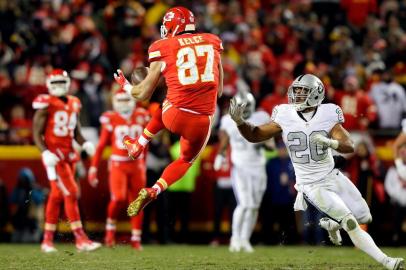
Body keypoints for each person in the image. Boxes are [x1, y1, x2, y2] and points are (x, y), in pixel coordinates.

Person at [228, 74, 404, 270]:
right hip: (311, 184)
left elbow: (349, 145)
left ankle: (332, 224)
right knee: (351, 223)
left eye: (303, 91)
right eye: (296, 91)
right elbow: (254, 135)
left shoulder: (328, 113)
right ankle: (387, 261)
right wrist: (240, 123)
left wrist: (330, 142)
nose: (297, 95)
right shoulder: (284, 114)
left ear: (316, 93)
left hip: (333, 176)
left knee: (364, 217)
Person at [113, 6, 223, 216]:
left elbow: (143, 93)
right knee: (184, 160)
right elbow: (219, 92)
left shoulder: (163, 46)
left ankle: (139, 144)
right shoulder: (213, 41)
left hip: (174, 114)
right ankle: (154, 189)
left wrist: (125, 85)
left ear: (173, 25)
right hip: (201, 121)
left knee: (165, 104)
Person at [32, 69, 101, 252]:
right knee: (70, 192)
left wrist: (85, 143)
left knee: (56, 197)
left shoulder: (74, 102)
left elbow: (76, 131)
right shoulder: (46, 104)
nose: (58, 86)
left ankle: (47, 241)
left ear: (68, 83)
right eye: (54, 83)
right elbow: (36, 133)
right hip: (55, 157)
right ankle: (80, 239)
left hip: (70, 154)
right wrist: (45, 152)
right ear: (48, 85)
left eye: (61, 82)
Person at [88, 89, 150, 250]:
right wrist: (93, 168)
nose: (123, 104)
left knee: (138, 202)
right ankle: (110, 233)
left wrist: (144, 162)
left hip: (137, 165)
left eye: (125, 100)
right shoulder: (111, 118)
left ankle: (136, 238)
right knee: (118, 198)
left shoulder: (142, 115)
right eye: (120, 100)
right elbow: (101, 145)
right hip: (118, 164)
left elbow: (146, 144)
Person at [214, 92, 269, 252]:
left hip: (258, 166)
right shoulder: (228, 120)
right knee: (244, 204)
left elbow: (269, 140)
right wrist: (221, 154)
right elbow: (225, 140)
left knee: (254, 206)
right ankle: (235, 238)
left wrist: (264, 143)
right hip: (240, 167)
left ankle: (245, 239)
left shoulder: (260, 117)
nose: (243, 111)